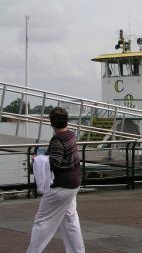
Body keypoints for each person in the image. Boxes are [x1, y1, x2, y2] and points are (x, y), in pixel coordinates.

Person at [27, 107, 85, 253]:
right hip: (74, 183)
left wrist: (38, 159)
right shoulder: (71, 135)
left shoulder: (58, 139)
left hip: (61, 187)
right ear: (66, 120)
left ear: (51, 122)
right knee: (70, 220)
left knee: (42, 222)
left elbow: (56, 162)